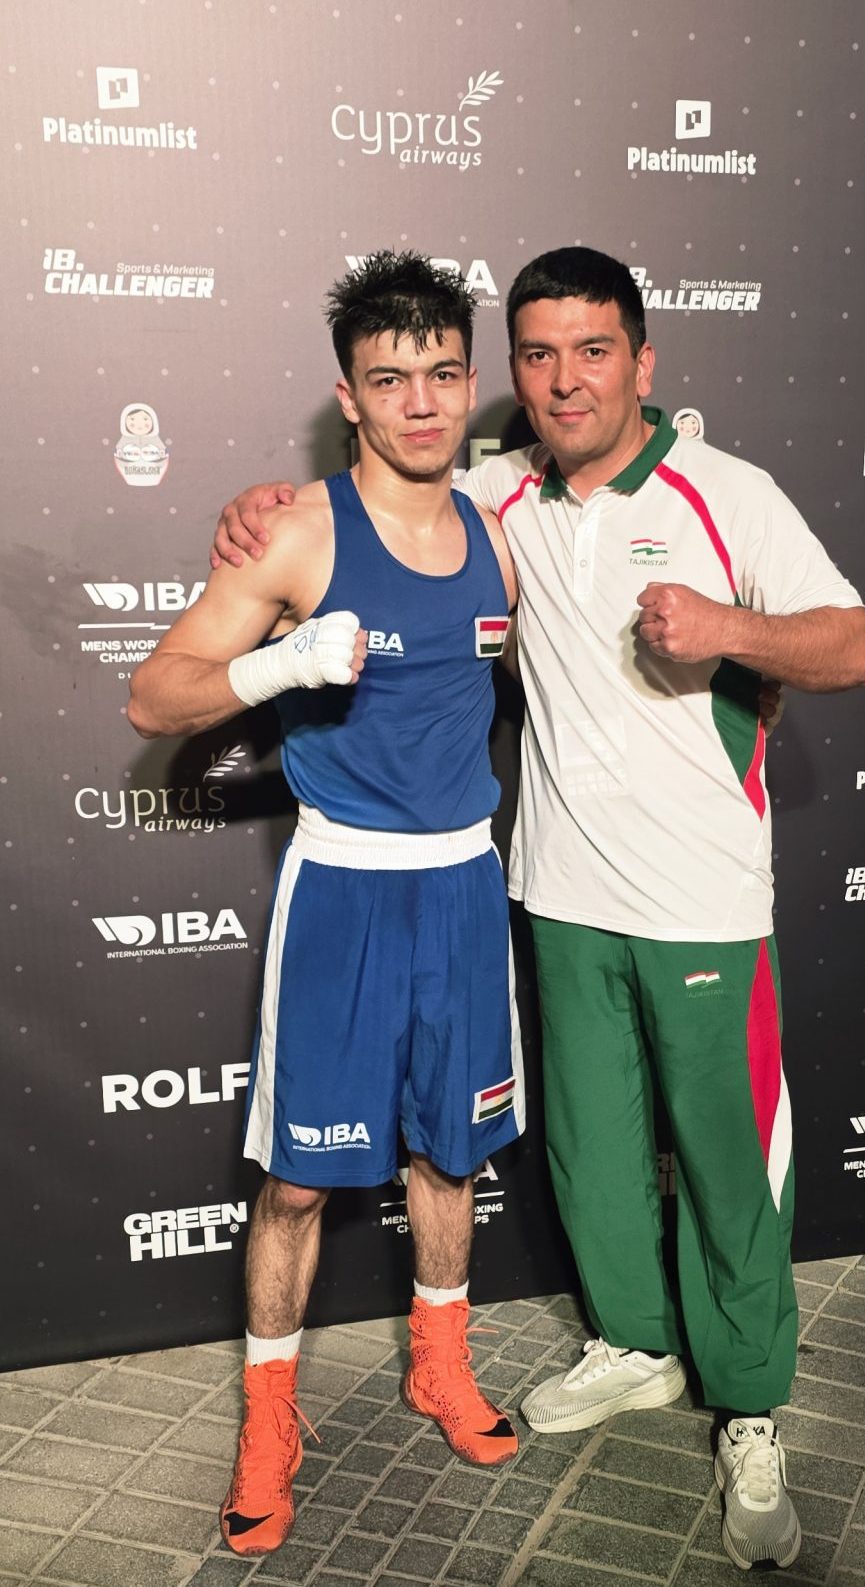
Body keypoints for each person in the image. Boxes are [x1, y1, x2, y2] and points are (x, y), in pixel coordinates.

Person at [213, 245, 865, 1572]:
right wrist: (259, 508)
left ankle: (751, 1405)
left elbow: (855, 645)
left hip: (702, 897)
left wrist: (730, 630)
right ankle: (634, 1345)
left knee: (729, 1165)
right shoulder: (492, 495)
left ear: (643, 360)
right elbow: (369, 505)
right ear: (511, 373)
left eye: (592, 350)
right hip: (554, 892)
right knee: (588, 1150)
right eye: (537, 354)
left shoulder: (727, 491)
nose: (565, 379)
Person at [130, 252, 522, 1558]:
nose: (422, 403)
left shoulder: (500, 529)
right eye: (389, 380)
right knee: (298, 1186)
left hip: (463, 883)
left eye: (443, 374)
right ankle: (268, 1421)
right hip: (344, 889)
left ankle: (440, 1365)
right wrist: (282, 660)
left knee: (450, 1158)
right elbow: (156, 695)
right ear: (348, 398)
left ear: (471, 380)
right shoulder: (298, 532)